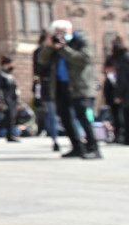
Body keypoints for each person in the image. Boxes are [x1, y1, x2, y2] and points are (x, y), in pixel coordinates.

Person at [38, 20, 100, 159]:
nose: (60, 35)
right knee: (65, 118)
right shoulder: (55, 46)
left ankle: (93, 147)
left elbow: (84, 59)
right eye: (57, 32)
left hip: (79, 86)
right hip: (60, 86)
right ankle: (77, 147)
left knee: (83, 117)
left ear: (71, 31)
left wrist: (63, 48)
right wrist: (49, 46)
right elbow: (42, 60)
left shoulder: (81, 41)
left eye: (63, 32)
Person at [32, 30, 62, 152]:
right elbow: (38, 70)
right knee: (52, 114)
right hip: (49, 85)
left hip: (55, 85)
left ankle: (58, 138)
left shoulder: (58, 50)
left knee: (55, 114)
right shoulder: (41, 52)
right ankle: (55, 139)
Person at [0, 57, 20, 142]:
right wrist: (0, 100)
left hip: (12, 99)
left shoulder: (10, 75)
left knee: (10, 117)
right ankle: (9, 135)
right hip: (5, 98)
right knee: (8, 117)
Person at [102, 56, 123, 144]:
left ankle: (119, 136)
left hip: (116, 100)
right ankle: (117, 136)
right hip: (112, 100)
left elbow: (115, 88)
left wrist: (117, 97)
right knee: (115, 118)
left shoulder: (114, 76)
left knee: (118, 119)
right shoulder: (110, 76)